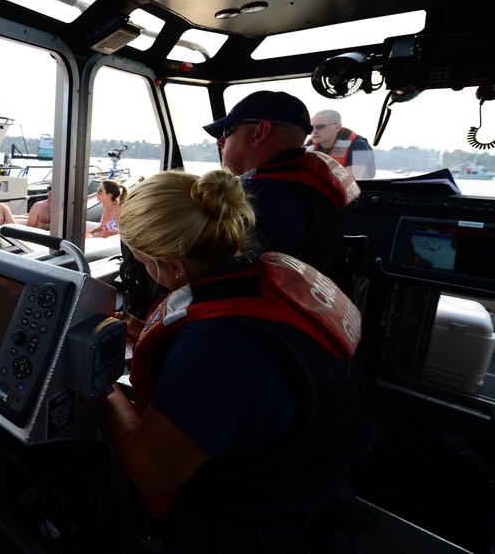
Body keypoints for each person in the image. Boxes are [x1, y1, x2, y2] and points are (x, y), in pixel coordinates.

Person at [105, 169, 366, 552]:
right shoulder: (275, 269)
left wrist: (101, 382)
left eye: (144, 262)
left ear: (172, 266)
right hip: (315, 484)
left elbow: (149, 472)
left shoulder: (214, 347)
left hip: (247, 525)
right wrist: (144, 329)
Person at [202, 91, 361, 291]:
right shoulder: (313, 184)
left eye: (227, 131)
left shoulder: (255, 195)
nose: (220, 141)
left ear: (259, 132)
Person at [304, 109, 376, 179]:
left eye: (320, 127)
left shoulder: (360, 145)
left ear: (337, 128)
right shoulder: (307, 147)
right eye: (311, 127)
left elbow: (352, 181)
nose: (314, 131)